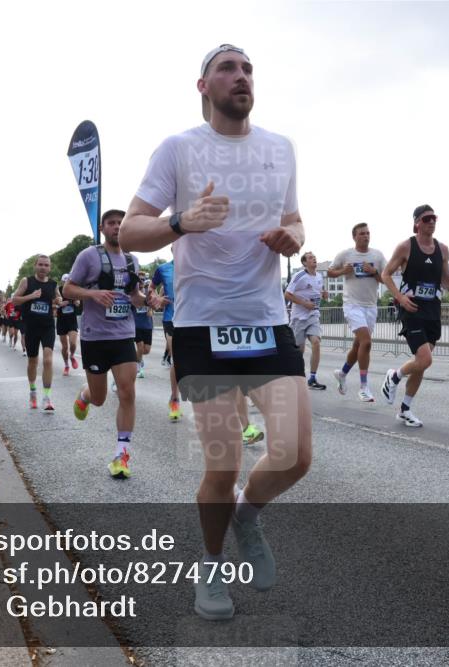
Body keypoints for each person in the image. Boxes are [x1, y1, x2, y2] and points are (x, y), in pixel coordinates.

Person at [119, 44, 312, 621]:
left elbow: (295, 217)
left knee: (296, 455)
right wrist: (181, 221)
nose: (241, 76)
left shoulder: (280, 148)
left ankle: (247, 515)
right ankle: (210, 566)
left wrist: (294, 237)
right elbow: (130, 231)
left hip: (267, 323)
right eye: (227, 68)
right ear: (203, 86)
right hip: (204, 327)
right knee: (222, 465)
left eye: (248, 68)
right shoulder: (179, 149)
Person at [62, 209, 158, 479]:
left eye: (121, 223)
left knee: (127, 393)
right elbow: (67, 289)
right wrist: (92, 294)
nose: (117, 227)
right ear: (103, 229)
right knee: (100, 398)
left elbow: (134, 296)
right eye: (112, 223)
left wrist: (148, 300)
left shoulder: (132, 260)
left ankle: (121, 455)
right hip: (94, 336)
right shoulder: (88, 256)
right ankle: (85, 395)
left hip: (123, 335)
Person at [379, 205, 449, 427]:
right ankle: (394, 376)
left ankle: (405, 410)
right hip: (412, 308)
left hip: (432, 310)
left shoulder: (443, 249)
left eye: (434, 218)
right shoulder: (406, 247)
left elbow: (446, 282)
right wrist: (400, 298)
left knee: (421, 364)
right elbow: (385, 274)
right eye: (426, 218)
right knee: (425, 359)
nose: (431, 222)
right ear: (417, 223)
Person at [327, 223, 387, 401]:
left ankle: (342, 373)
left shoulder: (377, 255)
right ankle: (364, 387)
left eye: (368, 233)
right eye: (362, 233)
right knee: (366, 342)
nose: (366, 236)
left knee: (358, 345)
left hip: (370, 305)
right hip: (352, 304)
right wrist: (342, 271)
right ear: (354, 237)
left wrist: (374, 271)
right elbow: (330, 272)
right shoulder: (346, 254)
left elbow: (386, 279)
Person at [12, 255, 59, 411]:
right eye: (40, 264)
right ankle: (33, 392)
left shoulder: (53, 284)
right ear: (35, 265)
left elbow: (57, 297)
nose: (43, 267)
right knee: (33, 361)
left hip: (47, 326)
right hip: (31, 327)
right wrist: (31, 296)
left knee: (48, 360)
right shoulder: (27, 281)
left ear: (49, 268)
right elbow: (15, 300)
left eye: (46, 265)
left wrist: (58, 300)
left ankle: (47, 398)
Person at [285, 251, 329, 390]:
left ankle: (312, 378)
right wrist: (304, 303)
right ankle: (294, 377)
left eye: (314, 257)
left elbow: (317, 292)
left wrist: (323, 294)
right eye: (310, 258)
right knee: (299, 350)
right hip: (299, 318)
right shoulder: (299, 276)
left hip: (313, 315)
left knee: (316, 342)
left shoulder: (319, 276)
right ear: (304, 263)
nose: (314, 259)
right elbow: (287, 294)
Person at [151, 260, 181, 420]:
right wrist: (158, 298)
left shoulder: (198, 262)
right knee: (178, 360)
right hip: (171, 319)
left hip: (194, 319)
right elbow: (151, 288)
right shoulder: (163, 269)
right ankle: (175, 399)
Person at [55, 273, 81, 376]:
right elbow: (53, 304)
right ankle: (66, 365)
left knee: (73, 343)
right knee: (65, 347)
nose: (66, 282)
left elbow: (78, 303)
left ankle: (72, 356)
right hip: (61, 321)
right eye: (64, 281)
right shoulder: (58, 291)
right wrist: (60, 304)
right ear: (62, 282)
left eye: (68, 281)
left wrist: (75, 302)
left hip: (72, 321)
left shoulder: (73, 290)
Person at [133, 271, 154, 379]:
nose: (141, 281)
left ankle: (137, 357)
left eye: (143, 279)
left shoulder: (148, 291)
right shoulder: (133, 291)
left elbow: (154, 303)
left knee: (146, 350)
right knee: (140, 347)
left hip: (147, 324)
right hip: (136, 324)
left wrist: (151, 309)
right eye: (139, 279)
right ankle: (138, 367)